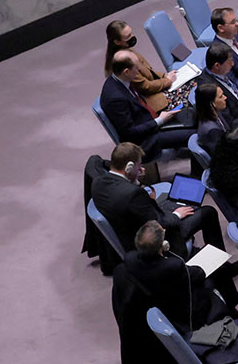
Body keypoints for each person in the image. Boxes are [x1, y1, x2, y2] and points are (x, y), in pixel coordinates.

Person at [92, 140, 221, 257]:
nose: (142, 169)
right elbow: (160, 224)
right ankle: (221, 266)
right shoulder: (134, 194)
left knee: (170, 203)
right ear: (129, 167)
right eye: (139, 166)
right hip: (152, 240)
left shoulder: (98, 181)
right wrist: (176, 215)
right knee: (208, 213)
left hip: (128, 230)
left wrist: (134, 181)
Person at [99, 50, 193, 160]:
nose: (139, 71)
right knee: (194, 134)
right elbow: (129, 133)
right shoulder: (115, 99)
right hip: (146, 140)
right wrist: (160, 121)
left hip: (150, 119)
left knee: (192, 115)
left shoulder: (121, 79)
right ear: (126, 71)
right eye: (136, 69)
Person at [102, 20, 172, 117]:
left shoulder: (128, 50)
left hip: (157, 88)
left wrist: (165, 75)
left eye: (131, 33)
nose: (132, 37)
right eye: (127, 37)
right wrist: (168, 81)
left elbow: (148, 70)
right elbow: (146, 87)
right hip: (153, 101)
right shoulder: (123, 64)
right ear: (117, 42)